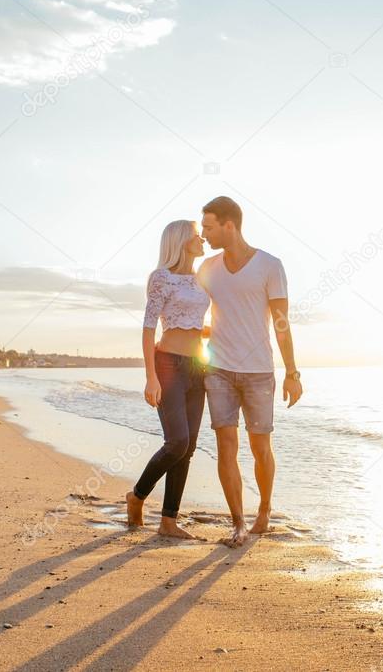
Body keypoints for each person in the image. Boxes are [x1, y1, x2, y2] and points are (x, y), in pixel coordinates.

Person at [197, 196, 303, 548]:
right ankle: (238, 524)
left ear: (230, 225)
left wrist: (292, 372)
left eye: (209, 227)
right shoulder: (207, 268)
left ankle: (265, 509)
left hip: (259, 372)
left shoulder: (270, 266)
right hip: (218, 370)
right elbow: (192, 312)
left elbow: (281, 323)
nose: (204, 234)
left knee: (261, 447)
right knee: (226, 446)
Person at [126, 220, 209, 539]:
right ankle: (137, 496)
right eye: (196, 235)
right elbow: (149, 328)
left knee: (188, 449)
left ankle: (168, 521)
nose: (202, 239)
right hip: (168, 365)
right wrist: (151, 377)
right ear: (182, 241)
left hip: (197, 366)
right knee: (177, 442)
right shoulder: (161, 278)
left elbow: (195, 323)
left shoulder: (202, 279)